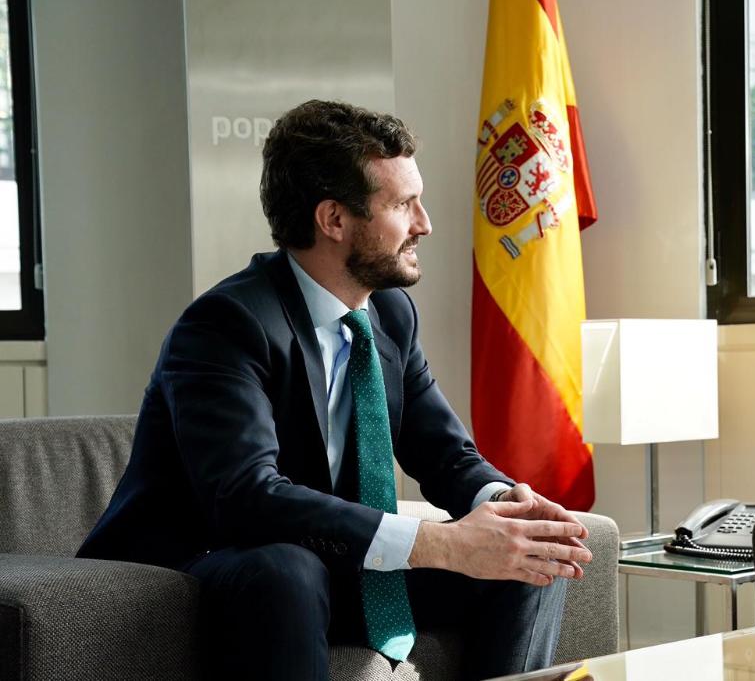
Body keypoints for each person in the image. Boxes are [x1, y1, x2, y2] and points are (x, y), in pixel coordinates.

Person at [77, 99, 593, 681]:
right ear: (334, 220)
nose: (425, 223)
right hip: (207, 563)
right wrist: (439, 544)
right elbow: (246, 497)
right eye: (403, 204)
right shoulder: (227, 325)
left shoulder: (391, 315)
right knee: (287, 570)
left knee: (526, 555)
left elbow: (446, 454)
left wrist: (503, 506)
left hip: (327, 561)